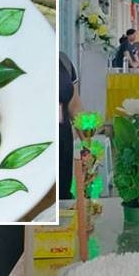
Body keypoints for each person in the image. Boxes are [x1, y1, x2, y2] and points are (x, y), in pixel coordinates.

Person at [59, 51, 82, 200]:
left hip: (63, 142)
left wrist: (88, 143)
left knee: (63, 193)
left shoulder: (63, 60)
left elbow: (74, 106)